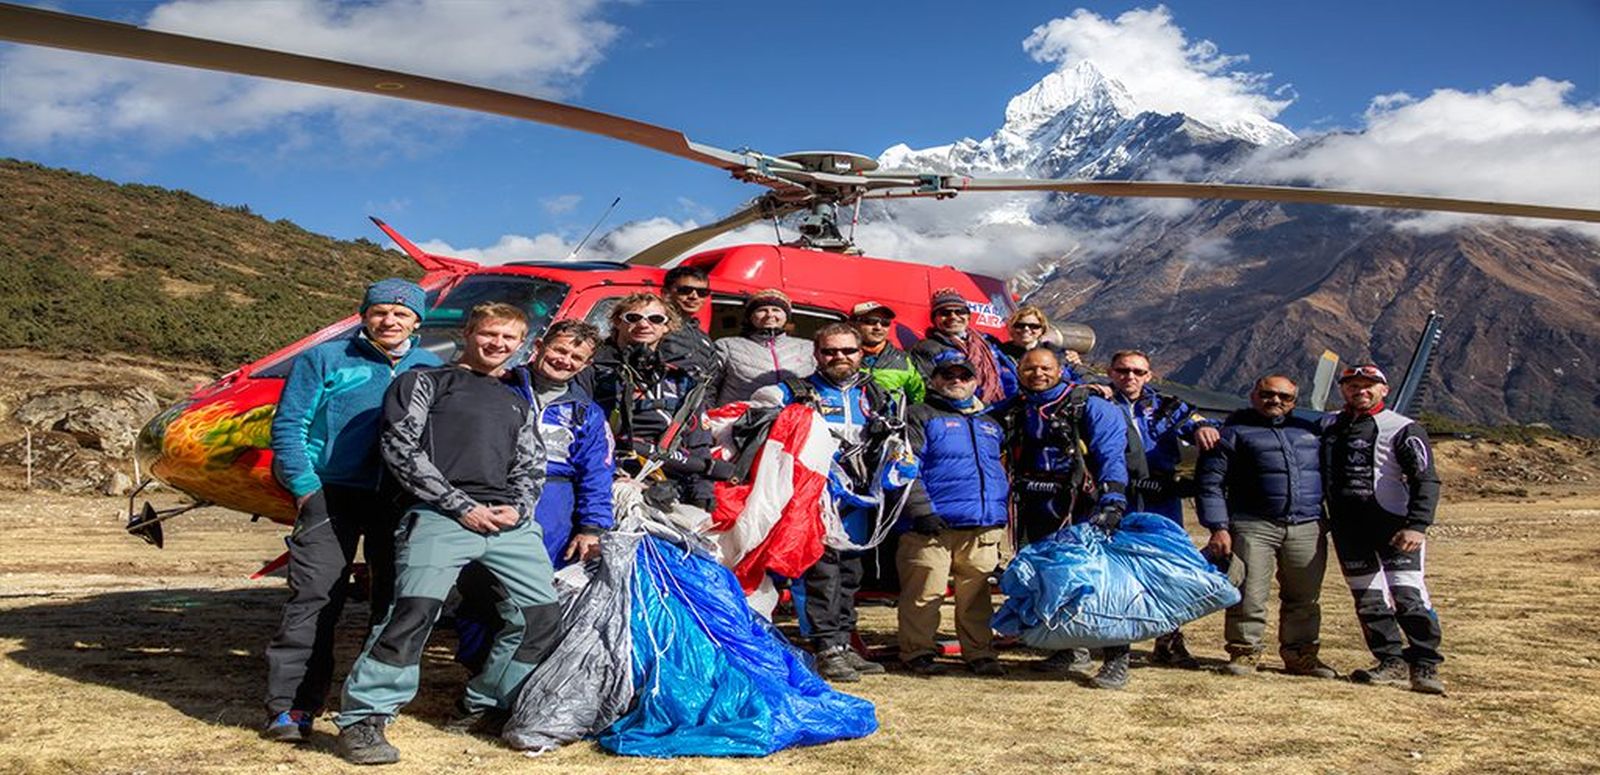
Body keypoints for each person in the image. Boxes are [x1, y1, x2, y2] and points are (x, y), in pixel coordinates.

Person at [335, 303, 556, 765]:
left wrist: (518, 509)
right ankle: (364, 718)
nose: (498, 344)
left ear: (523, 346)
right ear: (469, 333)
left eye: (509, 338)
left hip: (507, 523)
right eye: (489, 334)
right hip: (438, 515)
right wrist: (461, 506)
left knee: (540, 618)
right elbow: (400, 447)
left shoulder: (517, 400)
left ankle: (484, 707)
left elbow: (531, 464)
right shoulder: (424, 382)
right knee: (411, 613)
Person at [262, 278, 441, 743]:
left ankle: (368, 704)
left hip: (398, 497)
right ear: (364, 315)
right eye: (379, 312)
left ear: (417, 322)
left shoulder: (432, 367)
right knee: (315, 597)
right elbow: (289, 425)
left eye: (401, 314)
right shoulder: (324, 358)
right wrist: (305, 486)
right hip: (331, 492)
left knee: (392, 600)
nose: (389, 320)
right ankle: (293, 706)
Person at [451, 321, 614, 674]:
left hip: (554, 505)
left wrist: (592, 528)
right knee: (481, 589)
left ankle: (514, 681)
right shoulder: (499, 385)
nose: (565, 360)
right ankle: (476, 670)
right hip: (491, 494)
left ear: (586, 365)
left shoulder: (587, 412)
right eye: (559, 350)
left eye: (576, 357)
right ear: (539, 346)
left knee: (534, 597)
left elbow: (597, 474)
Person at [751, 323, 896, 683]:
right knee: (821, 574)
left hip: (859, 500)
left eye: (848, 351)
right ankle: (827, 647)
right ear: (816, 354)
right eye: (830, 351)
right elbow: (756, 418)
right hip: (812, 499)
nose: (839, 357)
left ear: (861, 353)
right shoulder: (795, 392)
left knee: (850, 573)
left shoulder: (874, 395)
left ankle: (844, 642)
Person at [995, 347, 1132, 687]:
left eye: (1045, 368)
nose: (1037, 374)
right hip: (1036, 506)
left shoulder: (1091, 407)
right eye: (1029, 369)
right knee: (1050, 580)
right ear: (1019, 372)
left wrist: (1113, 500)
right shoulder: (1014, 408)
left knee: (1099, 581)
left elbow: (1111, 455)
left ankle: (1117, 657)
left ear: (1059, 370)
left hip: (1083, 506)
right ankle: (1069, 648)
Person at [1195, 375, 1337, 679]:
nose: (1276, 401)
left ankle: (1301, 655)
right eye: (1268, 394)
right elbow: (1210, 484)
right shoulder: (1232, 433)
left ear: (1294, 401)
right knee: (1249, 593)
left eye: (1285, 397)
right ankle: (1244, 651)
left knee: (1305, 596)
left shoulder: (1310, 432)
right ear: (1253, 395)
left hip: (1307, 526)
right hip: (1252, 525)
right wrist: (1218, 526)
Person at [1321, 364, 1445, 695]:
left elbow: (1425, 480)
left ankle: (1425, 664)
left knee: (1409, 596)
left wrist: (1417, 525)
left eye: (1369, 385)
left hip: (1395, 528)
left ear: (1383, 390)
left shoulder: (1403, 428)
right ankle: (1390, 662)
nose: (1360, 390)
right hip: (1348, 530)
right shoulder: (1328, 425)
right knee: (1369, 600)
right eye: (1352, 385)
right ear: (1343, 389)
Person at [1103, 349, 1220, 668]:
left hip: (1160, 497)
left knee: (1168, 568)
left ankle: (1168, 641)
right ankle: (1116, 644)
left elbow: (1197, 420)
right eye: (1122, 371)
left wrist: (1204, 428)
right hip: (1116, 495)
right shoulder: (1099, 401)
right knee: (1117, 571)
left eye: (1138, 372)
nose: (1130, 377)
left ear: (1149, 375)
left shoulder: (1167, 406)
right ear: (1110, 373)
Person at [897, 350, 1010, 678]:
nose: (956, 381)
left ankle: (980, 652)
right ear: (934, 380)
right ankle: (917, 651)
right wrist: (921, 510)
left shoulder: (991, 423)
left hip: (981, 524)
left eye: (964, 376)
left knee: (976, 596)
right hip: (930, 525)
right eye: (947, 375)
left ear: (975, 381)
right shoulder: (919, 415)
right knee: (925, 593)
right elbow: (904, 466)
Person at [582, 293, 728, 509]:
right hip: (605, 484)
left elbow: (698, 443)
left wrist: (702, 496)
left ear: (666, 327)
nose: (644, 324)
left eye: (655, 319)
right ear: (617, 322)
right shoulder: (591, 371)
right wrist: (612, 477)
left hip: (666, 487)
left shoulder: (682, 380)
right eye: (633, 318)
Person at [909, 287, 1018, 404]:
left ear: (968, 316)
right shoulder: (927, 348)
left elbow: (1011, 368)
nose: (953, 317)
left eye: (960, 312)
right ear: (934, 319)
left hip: (1005, 405)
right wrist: (966, 405)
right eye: (945, 313)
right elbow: (928, 386)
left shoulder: (988, 342)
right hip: (964, 410)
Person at [711, 288, 815, 406]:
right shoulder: (727, 346)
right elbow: (709, 387)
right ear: (751, 316)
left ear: (786, 316)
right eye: (762, 310)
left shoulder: (808, 348)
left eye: (776, 310)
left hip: (793, 416)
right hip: (740, 416)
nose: (770, 315)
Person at [850, 300, 924, 404]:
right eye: (871, 321)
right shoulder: (840, 356)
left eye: (885, 323)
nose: (878, 327)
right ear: (853, 324)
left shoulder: (903, 359)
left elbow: (921, 398)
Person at [656, 265, 719, 379]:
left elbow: (711, 381)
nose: (694, 296)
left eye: (702, 292)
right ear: (665, 293)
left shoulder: (704, 338)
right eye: (685, 291)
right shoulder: (652, 327)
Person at [999, 305, 1082, 376]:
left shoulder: (1055, 353)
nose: (1026, 329)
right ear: (1011, 328)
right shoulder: (1000, 352)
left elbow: (1076, 374)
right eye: (1020, 325)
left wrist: (1074, 364)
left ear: (1042, 330)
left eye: (1034, 326)